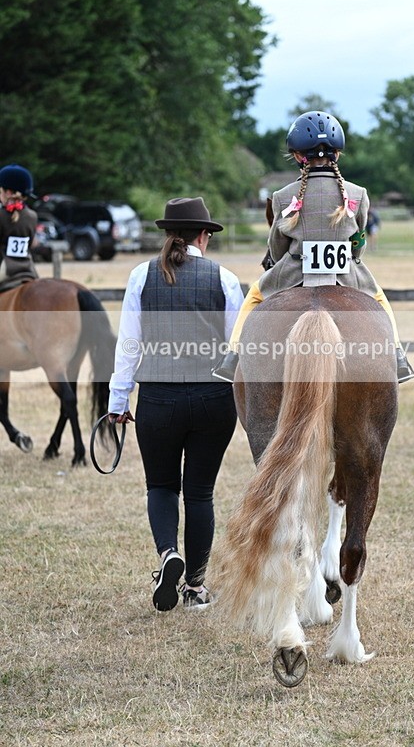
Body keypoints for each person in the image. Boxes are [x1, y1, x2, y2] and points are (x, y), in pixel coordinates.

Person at [108, 197, 244, 611]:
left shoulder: (139, 276)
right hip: (212, 400)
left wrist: (118, 398)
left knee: (161, 486)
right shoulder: (224, 278)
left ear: (169, 234)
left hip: (158, 399)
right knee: (200, 494)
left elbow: (128, 345)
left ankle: (169, 554)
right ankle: (197, 588)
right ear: (204, 235)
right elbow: (239, 349)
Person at [212, 110, 414, 383]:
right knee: (379, 299)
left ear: (297, 155)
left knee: (255, 295)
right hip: (346, 275)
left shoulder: (283, 197)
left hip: (294, 273)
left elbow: (277, 249)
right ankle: (397, 356)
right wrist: (350, 255)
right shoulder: (357, 194)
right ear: (337, 153)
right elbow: (359, 242)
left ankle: (232, 357)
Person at [0, 164, 39, 292]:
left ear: (8, 192)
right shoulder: (32, 216)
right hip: (28, 269)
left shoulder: (1, 215)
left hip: (5, 269)